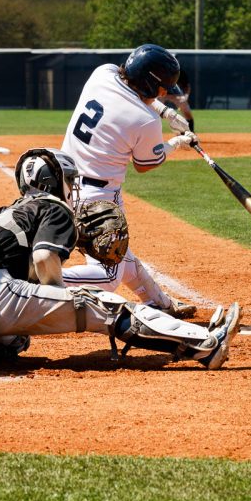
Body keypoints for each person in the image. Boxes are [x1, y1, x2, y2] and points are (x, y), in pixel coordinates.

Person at [0, 148, 241, 369]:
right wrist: (61, 296)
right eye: (68, 180)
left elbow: (16, 263)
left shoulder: (9, 210)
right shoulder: (53, 206)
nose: (71, 188)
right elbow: (43, 259)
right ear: (52, 182)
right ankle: (206, 345)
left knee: (18, 337)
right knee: (101, 304)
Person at [60, 43, 200, 318]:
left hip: (61, 181)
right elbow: (146, 164)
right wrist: (176, 142)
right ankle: (36, 281)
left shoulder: (102, 74)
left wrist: (167, 112)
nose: (163, 94)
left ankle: (159, 302)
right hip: (97, 199)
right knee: (109, 275)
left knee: (120, 253)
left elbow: (130, 89)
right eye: (162, 89)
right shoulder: (145, 120)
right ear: (149, 83)